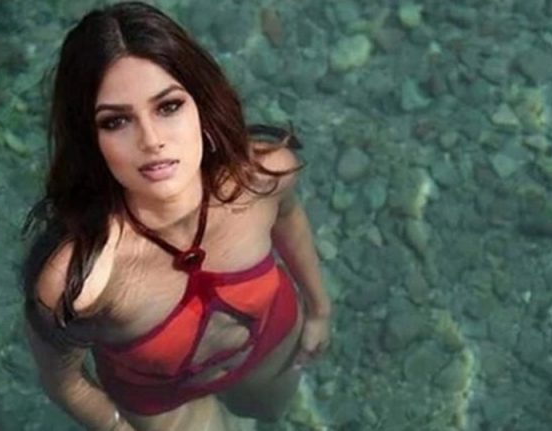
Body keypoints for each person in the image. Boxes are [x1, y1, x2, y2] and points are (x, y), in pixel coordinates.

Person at [20, 2, 331, 430]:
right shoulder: (78, 281)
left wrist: (319, 309)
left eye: (168, 107)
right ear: (89, 140)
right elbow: (66, 382)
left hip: (272, 346)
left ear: (201, 104)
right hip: (163, 401)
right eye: (116, 121)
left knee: (271, 414)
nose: (151, 141)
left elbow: (289, 220)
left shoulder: (263, 176)